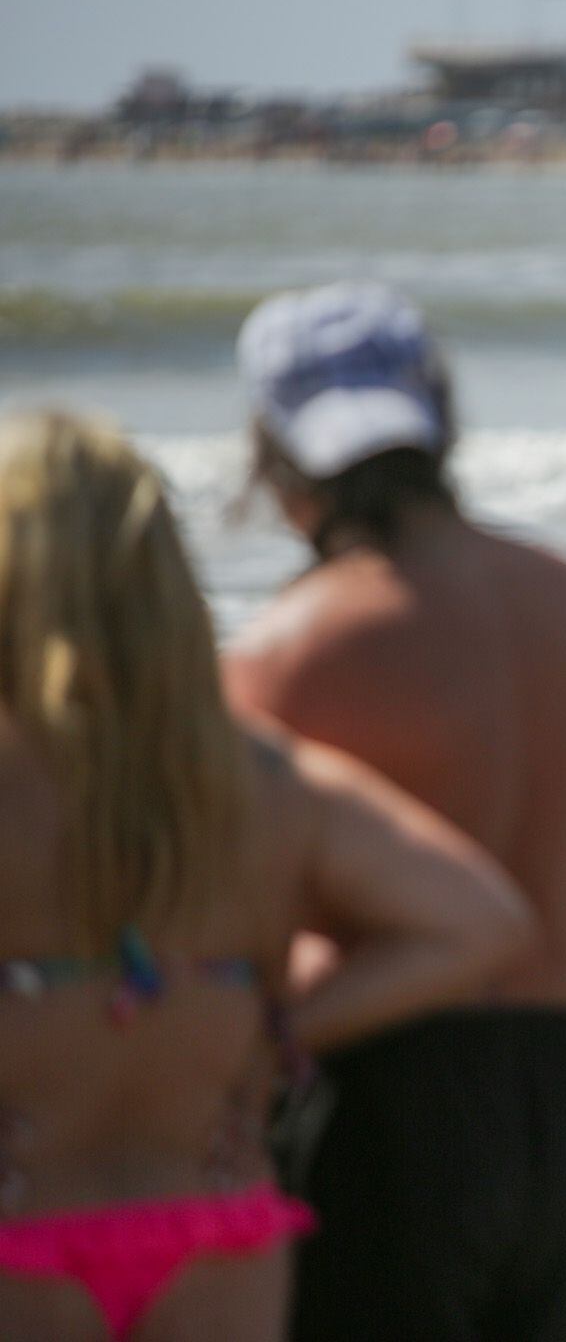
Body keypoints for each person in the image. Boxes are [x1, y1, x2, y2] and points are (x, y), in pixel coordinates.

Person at [220, 284, 566, 1341]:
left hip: (376, 1101)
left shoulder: (285, 652)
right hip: (560, 1094)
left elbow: (214, 930)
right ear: (437, 415)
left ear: (275, 449)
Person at [0, 410, 529, 1342]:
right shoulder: (264, 777)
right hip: (218, 1225)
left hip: (23, 1225)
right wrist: (278, 1032)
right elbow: (478, 920)